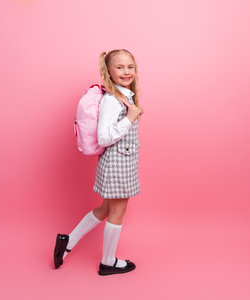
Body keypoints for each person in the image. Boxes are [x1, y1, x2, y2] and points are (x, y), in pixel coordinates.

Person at [53, 49, 144, 276]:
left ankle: (67, 241)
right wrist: (129, 119)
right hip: (117, 164)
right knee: (117, 212)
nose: (126, 71)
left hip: (121, 162)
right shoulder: (112, 101)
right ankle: (107, 262)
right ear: (109, 72)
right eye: (120, 67)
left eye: (129, 67)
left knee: (105, 209)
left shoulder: (124, 96)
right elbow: (103, 137)